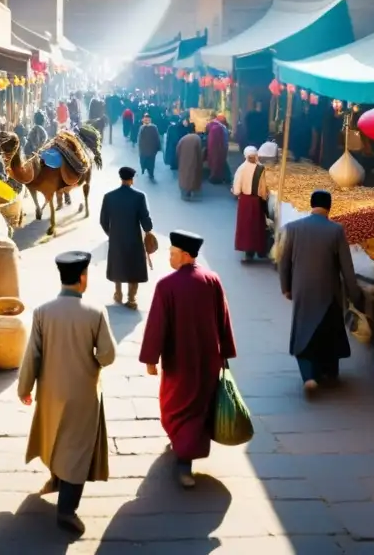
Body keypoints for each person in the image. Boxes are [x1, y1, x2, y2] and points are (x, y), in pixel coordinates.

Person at [18, 251, 117, 535]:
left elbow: (32, 357)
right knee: (77, 449)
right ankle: (66, 511)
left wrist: (25, 388)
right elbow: (108, 355)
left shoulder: (42, 311)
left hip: (50, 392)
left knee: (54, 436)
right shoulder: (95, 312)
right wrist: (93, 361)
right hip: (83, 394)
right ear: (83, 278)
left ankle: (55, 480)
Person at [139, 231, 236, 488]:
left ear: (185, 255)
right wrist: (225, 352)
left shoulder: (166, 285)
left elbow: (157, 325)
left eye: (172, 253)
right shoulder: (212, 280)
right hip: (207, 361)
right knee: (198, 407)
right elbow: (223, 319)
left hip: (178, 361)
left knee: (178, 406)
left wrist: (151, 359)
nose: (168, 257)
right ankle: (182, 449)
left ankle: (184, 465)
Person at [279, 189, 363, 393]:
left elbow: (284, 262)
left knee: (303, 331)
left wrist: (287, 288)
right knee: (329, 331)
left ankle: (309, 377)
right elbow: (347, 268)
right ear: (329, 207)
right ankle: (329, 372)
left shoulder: (292, 228)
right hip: (329, 292)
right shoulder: (336, 230)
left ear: (311, 204)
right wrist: (355, 295)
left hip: (302, 290)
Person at [99, 167, 154, 308]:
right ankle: (131, 299)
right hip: (134, 239)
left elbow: (103, 221)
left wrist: (111, 234)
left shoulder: (109, 197)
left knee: (118, 264)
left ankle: (118, 294)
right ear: (132, 179)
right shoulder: (139, 197)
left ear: (121, 178)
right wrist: (148, 230)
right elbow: (145, 219)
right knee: (133, 266)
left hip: (116, 238)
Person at [232, 146, 270, 262]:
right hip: (256, 201)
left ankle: (248, 252)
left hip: (244, 201)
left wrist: (235, 192)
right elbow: (263, 189)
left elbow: (237, 189)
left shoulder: (241, 168)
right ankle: (259, 250)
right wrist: (264, 198)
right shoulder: (261, 168)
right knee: (257, 226)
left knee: (246, 226)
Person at [176, 130, 203, 201]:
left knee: (183, 175)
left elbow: (178, 148)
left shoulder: (184, 138)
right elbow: (199, 151)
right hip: (193, 159)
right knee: (191, 176)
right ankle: (189, 191)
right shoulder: (197, 139)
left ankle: (184, 191)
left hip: (183, 159)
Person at [137, 114, 162, 182]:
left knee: (150, 162)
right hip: (147, 149)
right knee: (148, 161)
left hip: (150, 149)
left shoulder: (153, 127)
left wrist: (158, 147)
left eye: (148, 119)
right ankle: (149, 172)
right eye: (146, 119)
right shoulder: (143, 128)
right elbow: (139, 139)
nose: (147, 121)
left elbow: (157, 138)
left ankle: (150, 173)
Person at [206, 116, 230, 184]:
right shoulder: (219, 127)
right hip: (221, 148)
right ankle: (225, 178)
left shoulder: (215, 127)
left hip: (216, 148)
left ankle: (221, 178)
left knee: (218, 162)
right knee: (221, 162)